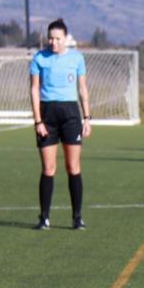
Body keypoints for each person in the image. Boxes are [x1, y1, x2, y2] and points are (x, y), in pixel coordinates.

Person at [30, 18, 90, 230]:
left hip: (71, 116)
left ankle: (77, 217)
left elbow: (82, 89)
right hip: (47, 116)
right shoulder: (39, 58)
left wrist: (87, 117)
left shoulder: (77, 58)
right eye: (50, 38)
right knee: (48, 168)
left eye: (57, 38)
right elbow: (35, 89)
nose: (53, 42)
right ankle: (44, 217)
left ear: (66, 39)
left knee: (73, 166)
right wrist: (38, 120)